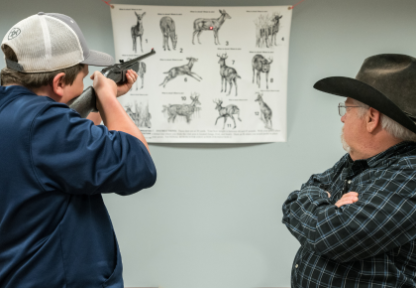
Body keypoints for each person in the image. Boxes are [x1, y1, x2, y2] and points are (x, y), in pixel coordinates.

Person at [0, 12, 156, 288]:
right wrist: (107, 97)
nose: (86, 83)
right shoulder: (44, 124)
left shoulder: (15, 114)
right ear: (59, 82)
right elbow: (139, 165)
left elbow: (66, 153)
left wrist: (96, 103)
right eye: (82, 78)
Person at [282, 54, 416, 288]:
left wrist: (324, 208)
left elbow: (335, 237)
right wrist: (325, 207)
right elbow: (296, 199)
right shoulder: (356, 159)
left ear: (372, 118)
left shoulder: (410, 174)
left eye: (347, 108)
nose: (343, 117)